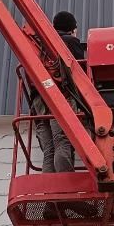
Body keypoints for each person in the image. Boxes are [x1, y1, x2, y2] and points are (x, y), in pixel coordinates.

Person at [32, 10, 84, 173]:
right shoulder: (70, 41)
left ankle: (49, 192)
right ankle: (67, 186)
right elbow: (80, 76)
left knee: (49, 150)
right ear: (72, 28)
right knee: (62, 141)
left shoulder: (39, 44)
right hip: (61, 97)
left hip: (39, 102)